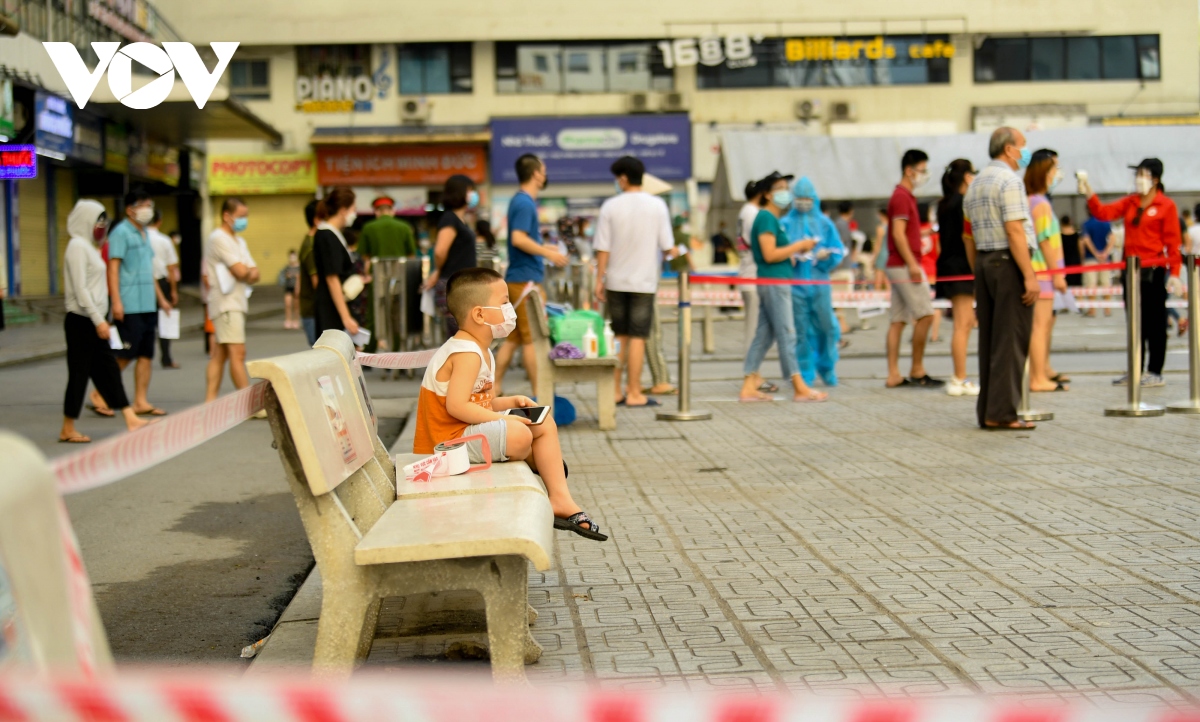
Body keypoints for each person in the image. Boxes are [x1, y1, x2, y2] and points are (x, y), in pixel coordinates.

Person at [413, 267, 606, 541]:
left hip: (466, 432)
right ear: (479, 314)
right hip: (446, 444)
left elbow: (481, 402)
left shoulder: (480, 350)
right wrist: (503, 420)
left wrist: (510, 402)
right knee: (518, 433)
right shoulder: (465, 353)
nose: (510, 309)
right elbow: (456, 407)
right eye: (504, 302)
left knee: (542, 419)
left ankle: (560, 498)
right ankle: (533, 456)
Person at [1080, 158, 1182, 388]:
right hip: (1131, 270)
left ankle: (1155, 370)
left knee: (1155, 322)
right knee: (1135, 322)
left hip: (1153, 271)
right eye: (1137, 174)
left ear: (1155, 179)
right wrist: (1088, 191)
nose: (1138, 179)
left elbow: (1173, 243)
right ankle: (1135, 367)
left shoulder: (1166, 205)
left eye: (1143, 174)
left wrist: (1174, 272)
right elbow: (1104, 213)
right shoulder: (1131, 202)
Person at [963, 127, 1040, 430]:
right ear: (1009, 149)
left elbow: (967, 236)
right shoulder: (1009, 180)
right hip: (1008, 263)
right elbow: (1015, 230)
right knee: (1010, 339)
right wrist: (1029, 275)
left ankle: (988, 410)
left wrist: (978, 270)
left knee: (990, 340)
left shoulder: (976, 183)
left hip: (983, 261)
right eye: (1022, 145)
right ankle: (1003, 412)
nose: (1025, 150)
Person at [59, 200, 149, 443]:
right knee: (79, 374)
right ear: (85, 219)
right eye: (98, 219)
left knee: (108, 370)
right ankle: (67, 428)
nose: (101, 225)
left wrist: (101, 319)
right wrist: (99, 320)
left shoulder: (90, 246)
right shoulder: (77, 246)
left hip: (94, 321)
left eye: (103, 220)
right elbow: (81, 289)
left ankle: (130, 417)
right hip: (81, 321)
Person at [593, 156, 676, 408]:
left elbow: (603, 248)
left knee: (619, 337)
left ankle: (615, 391)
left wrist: (599, 279)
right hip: (644, 282)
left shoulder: (610, 206)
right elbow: (667, 247)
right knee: (639, 337)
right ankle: (634, 392)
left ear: (624, 178)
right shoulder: (657, 205)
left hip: (616, 281)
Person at [738, 171, 827, 403]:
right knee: (788, 333)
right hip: (775, 283)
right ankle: (799, 385)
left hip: (773, 281)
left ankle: (749, 383)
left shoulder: (769, 219)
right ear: (767, 194)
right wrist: (798, 245)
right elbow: (769, 254)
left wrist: (794, 253)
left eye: (787, 187)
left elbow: (775, 253)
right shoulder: (766, 218)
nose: (786, 192)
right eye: (779, 188)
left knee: (764, 336)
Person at [495, 154, 566, 396]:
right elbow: (518, 238)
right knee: (532, 340)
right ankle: (540, 393)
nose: (545, 175)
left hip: (519, 277)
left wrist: (546, 249)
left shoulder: (519, 201)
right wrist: (547, 252)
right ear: (536, 174)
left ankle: (493, 388)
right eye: (544, 170)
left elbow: (523, 239)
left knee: (514, 339)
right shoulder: (525, 203)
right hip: (525, 280)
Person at [884, 149, 943, 389]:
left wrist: (924, 234)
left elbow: (906, 232)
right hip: (903, 264)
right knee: (926, 315)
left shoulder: (905, 196)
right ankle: (917, 369)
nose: (924, 175)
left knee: (898, 321)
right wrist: (912, 263)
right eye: (922, 170)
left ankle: (894, 374)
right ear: (909, 171)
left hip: (898, 262)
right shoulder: (901, 196)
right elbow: (898, 234)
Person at [107, 188, 168, 416]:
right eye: (144, 205)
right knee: (126, 353)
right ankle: (101, 394)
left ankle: (141, 400)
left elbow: (148, 270)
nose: (148, 210)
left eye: (150, 205)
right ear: (130, 209)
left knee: (145, 355)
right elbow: (113, 269)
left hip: (148, 303)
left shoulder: (144, 233)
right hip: (129, 303)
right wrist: (116, 302)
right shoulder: (120, 233)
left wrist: (161, 299)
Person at [780, 176, 843, 387]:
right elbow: (778, 253)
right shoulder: (785, 224)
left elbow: (838, 250)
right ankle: (804, 371)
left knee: (827, 327)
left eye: (807, 198)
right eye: (800, 197)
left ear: (814, 198)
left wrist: (826, 257)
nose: (803, 201)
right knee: (801, 331)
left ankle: (827, 366)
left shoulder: (825, 224)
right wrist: (793, 257)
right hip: (796, 286)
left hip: (820, 285)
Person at [204, 198, 261, 404]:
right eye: (240, 216)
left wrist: (245, 272)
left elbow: (254, 272)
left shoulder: (239, 241)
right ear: (227, 216)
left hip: (236, 302)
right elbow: (241, 270)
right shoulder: (218, 238)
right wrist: (245, 271)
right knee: (238, 352)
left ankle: (209, 402)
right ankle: (248, 402)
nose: (244, 220)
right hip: (226, 303)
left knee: (220, 355)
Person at [935, 159, 981, 397]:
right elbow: (967, 237)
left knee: (962, 323)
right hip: (961, 266)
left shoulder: (945, 203)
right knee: (963, 324)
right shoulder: (963, 203)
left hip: (949, 266)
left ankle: (959, 377)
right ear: (966, 177)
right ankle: (959, 377)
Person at [1026, 149, 1070, 393]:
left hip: (1040, 271)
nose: (1056, 175)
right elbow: (1045, 241)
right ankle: (1037, 377)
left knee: (1040, 326)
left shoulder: (1033, 201)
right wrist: (1057, 274)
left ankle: (1040, 374)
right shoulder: (1040, 204)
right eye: (1054, 169)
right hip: (1042, 272)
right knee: (1040, 327)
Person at [423, 175, 479, 337]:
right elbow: (440, 251)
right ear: (460, 192)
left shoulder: (460, 220)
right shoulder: (450, 219)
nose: (473, 195)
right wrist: (438, 270)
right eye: (470, 190)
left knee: (462, 335)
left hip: (461, 284)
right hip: (453, 285)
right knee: (460, 335)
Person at [360, 195, 417, 351]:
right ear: (392, 210)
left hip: (377, 278)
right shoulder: (404, 227)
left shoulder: (368, 227)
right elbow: (412, 256)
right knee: (398, 315)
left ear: (377, 211)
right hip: (400, 279)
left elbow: (365, 257)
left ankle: (370, 351)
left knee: (374, 314)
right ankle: (398, 350)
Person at [312, 188, 361, 338]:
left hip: (337, 304)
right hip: (331, 308)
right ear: (343, 210)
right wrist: (346, 317)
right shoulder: (327, 235)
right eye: (353, 209)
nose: (355, 214)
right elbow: (332, 278)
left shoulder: (335, 234)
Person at [146, 210, 180, 369]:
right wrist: (173, 291)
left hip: (144, 283)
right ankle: (166, 358)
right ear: (159, 221)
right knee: (164, 322)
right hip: (162, 282)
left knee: (146, 320)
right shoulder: (165, 240)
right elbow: (171, 268)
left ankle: (143, 356)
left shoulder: (142, 238)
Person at [737, 180, 765, 362]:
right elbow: (759, 244)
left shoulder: (744, 211)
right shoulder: (753, 214)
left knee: (756, 329)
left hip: (747, 272)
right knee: (753, 330)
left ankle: (753, 373)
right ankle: (751, 373)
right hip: (752, 274)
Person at [1081, 211, 1115, 318]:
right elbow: (1112, 238)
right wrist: (1105, 252)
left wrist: (1095, 253)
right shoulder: (1106, 223)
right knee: (1106, 283)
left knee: (1091, 284)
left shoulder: (1086, 224)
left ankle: (1092, 309)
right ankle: (1107, 309)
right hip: (1105, 259)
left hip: (1090, 258)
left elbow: (1086, 240)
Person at [830, 200, 857, 334]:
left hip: (842, 265)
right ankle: (841, 326)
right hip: (842, 267)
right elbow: (840, 243)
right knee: (840, 298)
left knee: (839, 299)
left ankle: (842, 324)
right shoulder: (841, 224)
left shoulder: (839, 223)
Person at [919, 203, 943, 344]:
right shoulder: (934, 232)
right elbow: (939, 252)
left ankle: (919, 334)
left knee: (918, 306)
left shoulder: (913, 231)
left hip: (917, 272)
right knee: (937, 305)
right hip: (933, 272)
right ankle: (934, 335)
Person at [298, 200, 320, 346]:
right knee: (321, 355)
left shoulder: (314, 241)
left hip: (314, 310)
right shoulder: (311, 245)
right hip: (313, 311)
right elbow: (316, 282)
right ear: (317, 219)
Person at [280, 250, 301, 330]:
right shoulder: (287, 267)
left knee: (296, 305)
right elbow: (282, 277)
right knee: (288, 304)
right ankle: (288, 320)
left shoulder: (299, 267)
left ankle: (296, 320)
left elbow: (300, 278)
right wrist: (286, 276)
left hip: (296, 287)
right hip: (288, 287)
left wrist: (298, 287)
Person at [1060, 215, 1083, 288]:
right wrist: (1081, 258)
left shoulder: (1059, 236)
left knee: (1067, 284)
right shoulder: (1076, 235)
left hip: (1065, 262)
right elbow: (1080, 248)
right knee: (1077, 284)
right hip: (1075, 261)